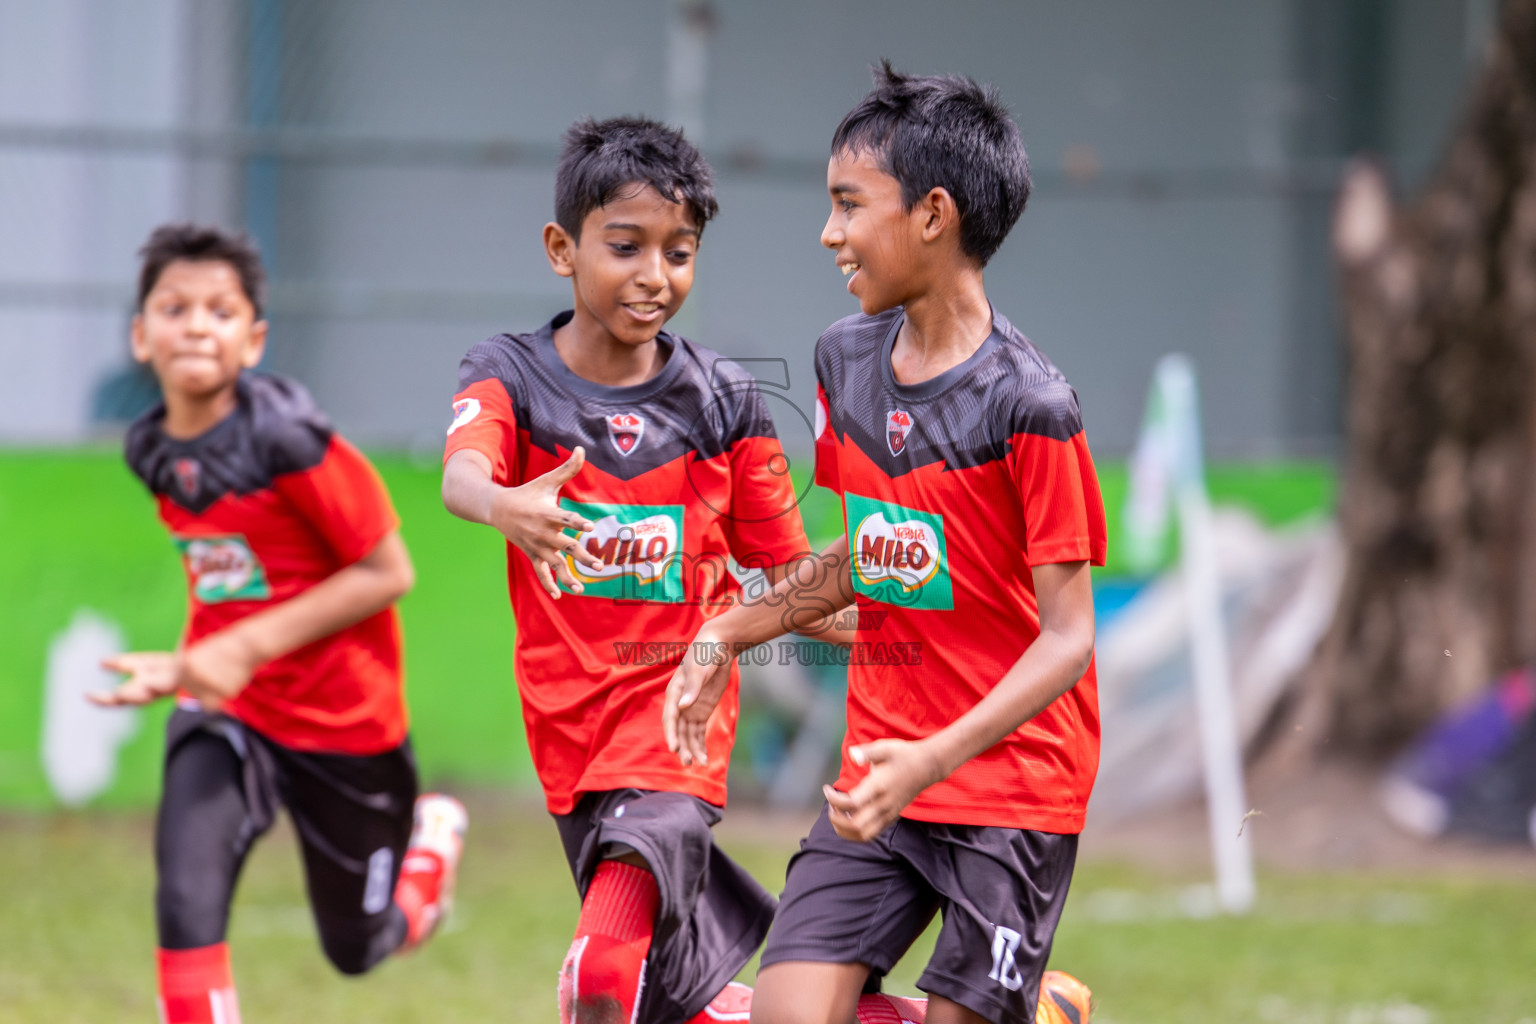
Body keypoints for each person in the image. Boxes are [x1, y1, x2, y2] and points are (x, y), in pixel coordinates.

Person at [663, 63, 1103, 1024]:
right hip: (880, 769)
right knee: (784, 1016)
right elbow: (873, 551)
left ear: (934, 214)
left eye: (849, 206)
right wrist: (726, 632)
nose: (829, 234)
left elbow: (1069, 637)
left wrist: (932, 759)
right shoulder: (844, 358)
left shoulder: (1034, 408)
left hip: (1011, 786)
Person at [440, 116, 813, 1024]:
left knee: (599, 981)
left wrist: (916, 613)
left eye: (679, 252)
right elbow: (461, 476)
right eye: (626, 246)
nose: (655, 275)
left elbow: (796, 575)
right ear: (561, 249)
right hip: (571, 737)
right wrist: (506, 505)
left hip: (677, 731)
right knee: (674, 1006)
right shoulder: (511, 375)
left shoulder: (725, 401)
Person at [91, 224, 466, 1024]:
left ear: (253, 340)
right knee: (186, 905)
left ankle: (428, 850)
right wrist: (194, 665)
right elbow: (230, 569)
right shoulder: (149, 449)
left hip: (345, 728)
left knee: (358, 946)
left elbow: (388, 572)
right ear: (139, 334)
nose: (196, 324)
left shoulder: (291, 440)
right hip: (229, 710)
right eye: (174, 307)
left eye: (220, 311)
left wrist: (240, 646)